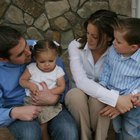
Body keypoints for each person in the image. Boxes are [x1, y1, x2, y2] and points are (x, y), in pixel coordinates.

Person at [0, 25, 79, 140]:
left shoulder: (44, 50)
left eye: (26, 45)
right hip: (18, 107)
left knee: (68, 132)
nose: (28, 52)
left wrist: (55, 98)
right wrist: (14, 112)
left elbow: (64, 85)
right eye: (20, 54)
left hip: (52, 104)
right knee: (30, 134)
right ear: (3, 59)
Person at [65, 9, 133, 140]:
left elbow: (129, 77)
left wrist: (116, 98)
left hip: (105, 92)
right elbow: (80, 80)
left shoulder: (118, 50)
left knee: (99, 100)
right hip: (80, 92)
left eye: (94, 36)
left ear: (109, 36)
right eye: (88, 33)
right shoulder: (75, 45)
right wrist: (116, 99)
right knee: (74, 96)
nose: (89, 39)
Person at [99, 18, 140, 140]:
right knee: (117, 129)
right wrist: (102, 84)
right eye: (114, 39)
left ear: (133, 47)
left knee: (130, 132)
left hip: (133, 102)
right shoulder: (113, 51)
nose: (113, 43)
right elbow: (107, 68)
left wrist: (131, 98)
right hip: (113, 97)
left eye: (118, 41)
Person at [19, 39, 65, 140]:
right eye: (42, 61)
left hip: (49, 103)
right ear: (35, 58)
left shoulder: (58, 71)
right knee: (36, 124)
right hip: (31, 101)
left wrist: (49, 93)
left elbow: (62, 86)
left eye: (51, 61)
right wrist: (30, 85)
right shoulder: (31, 68)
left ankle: (45, 134)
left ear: (56, 57)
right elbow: (22, 80)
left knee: (43, 125)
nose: (47, 64)